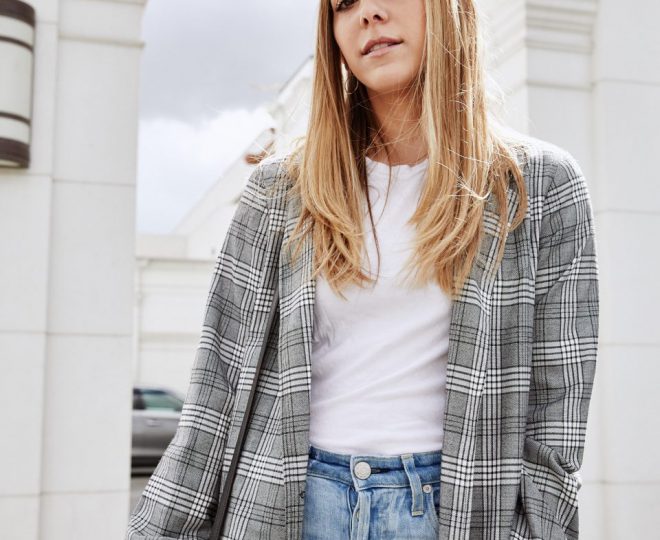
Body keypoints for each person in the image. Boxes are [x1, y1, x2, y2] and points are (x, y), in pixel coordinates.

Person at [126, 0, 599, 539]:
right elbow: (217, 384)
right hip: (291, 505)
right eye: (343, 4)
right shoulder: (280, 190)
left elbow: (556, 410)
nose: (367, 14)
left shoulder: (539, 186)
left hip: (458, 511)